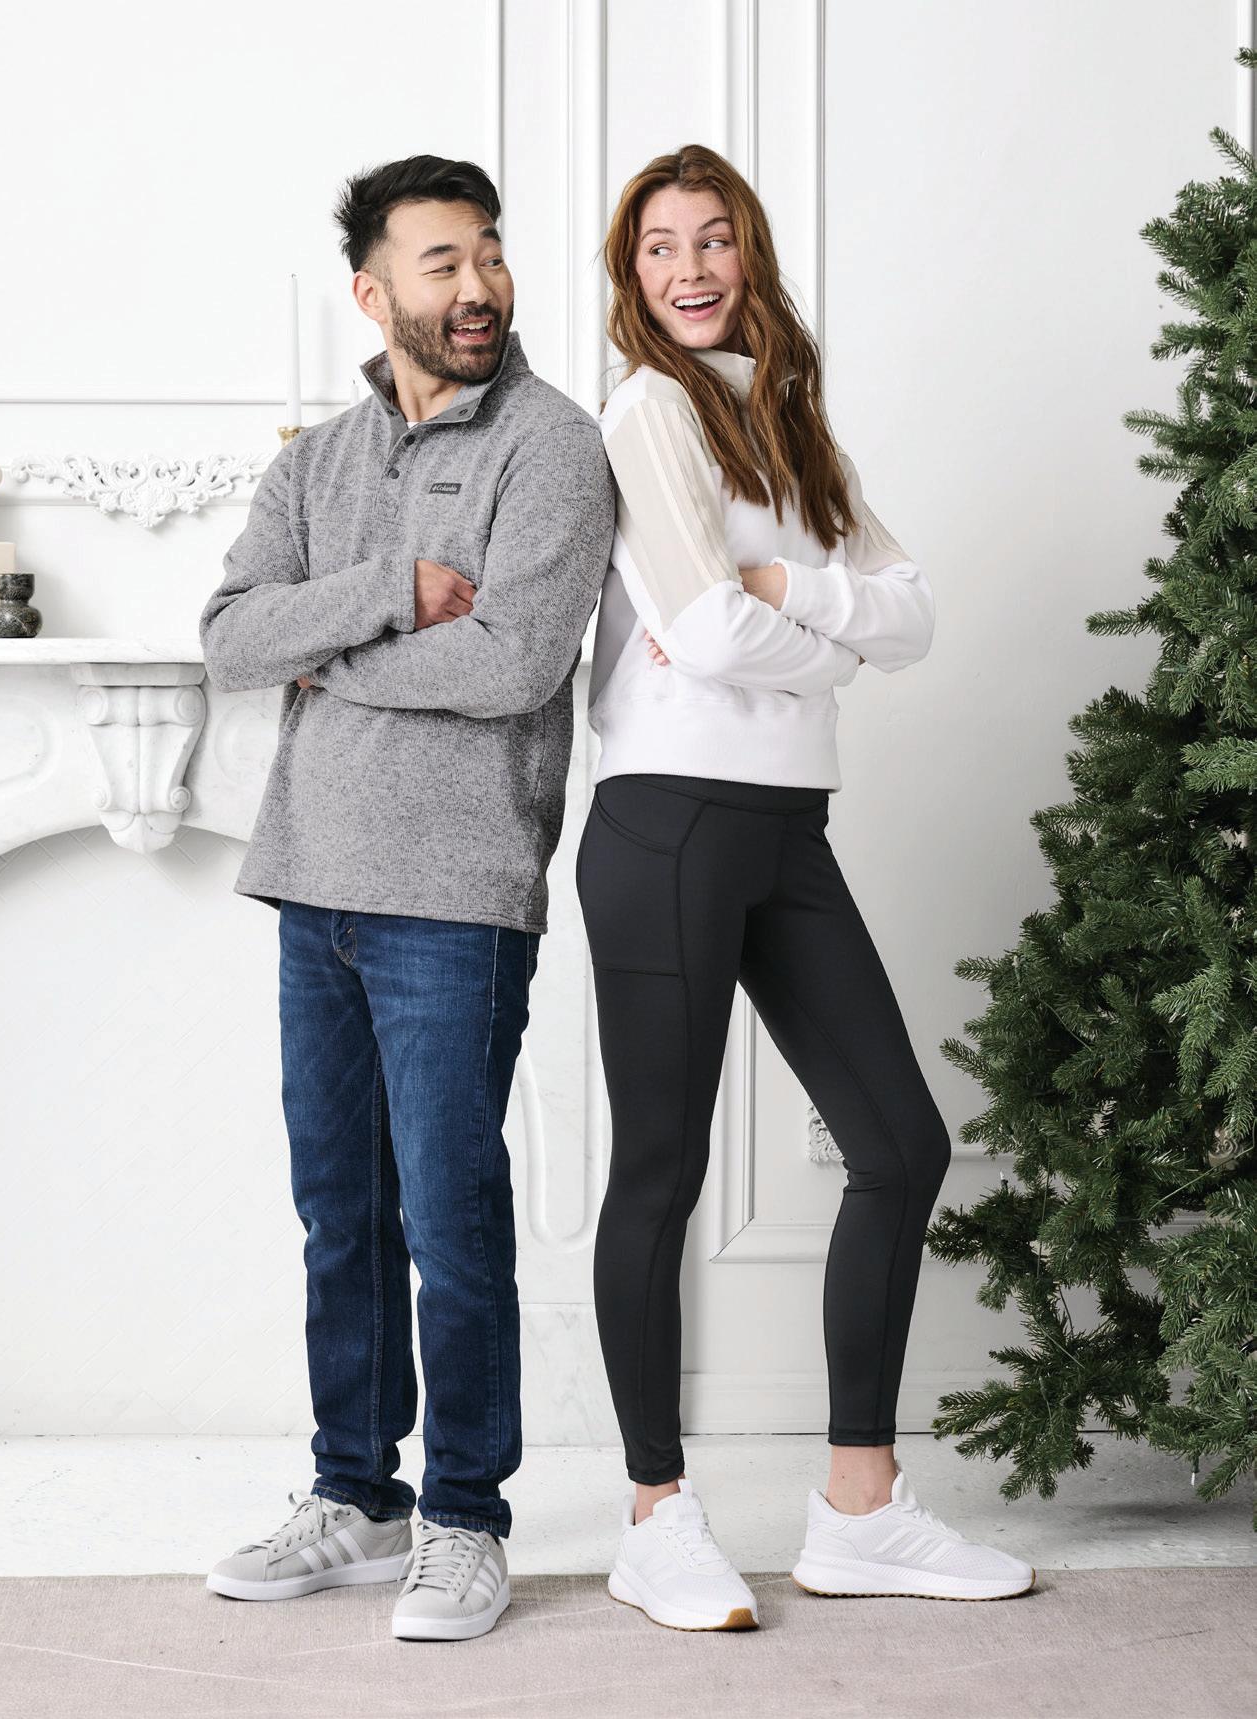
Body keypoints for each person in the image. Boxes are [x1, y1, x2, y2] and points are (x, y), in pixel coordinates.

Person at [577, 143, 1035, 1631]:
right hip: (668, 824)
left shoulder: (787, 421)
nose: (691, 268)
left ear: (752, 255)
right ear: (632, 275)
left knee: (900, 1146)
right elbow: (707, 630)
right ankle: (656, 1516)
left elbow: (914, 611)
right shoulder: (648, 411)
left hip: (785, 830)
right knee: (664, 1169)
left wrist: (789, 596)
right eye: (660, 247)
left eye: (714, 239)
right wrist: (826, 644)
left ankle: (859, 1510)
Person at [197, 154, 615, 1641]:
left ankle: (465, 1518)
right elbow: (230, 637)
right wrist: (389, 592)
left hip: (456, 895)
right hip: (312, 882)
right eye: (444, 263)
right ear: (374, 295)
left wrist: (325, 655)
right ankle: (357, 1499)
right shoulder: (316, 462)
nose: (480, 285)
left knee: (451, 1218)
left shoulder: (553, 448)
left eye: (489, 254)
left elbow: (512, 663)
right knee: (341, 1214)